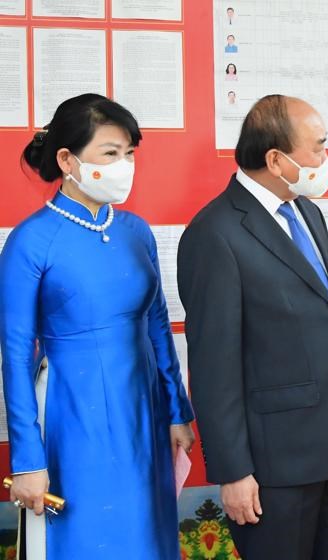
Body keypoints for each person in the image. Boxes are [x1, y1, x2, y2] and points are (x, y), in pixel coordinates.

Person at [177, 94, 328, 560]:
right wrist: (233, 472)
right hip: (277, 468)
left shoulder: (307, 211)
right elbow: (213, 364)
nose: (326, 159)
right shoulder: (215, 233)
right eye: (318, 147)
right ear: (276, 160)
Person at [0, 93, 195, 559]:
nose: (124, 165)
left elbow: (157, 324)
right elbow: (15, 354)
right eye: (110, 153)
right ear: (67, 160)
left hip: (143, 411)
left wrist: (177, 411)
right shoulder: (30, 242)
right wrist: (27, 460)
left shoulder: (136, 231)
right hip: (71, 413)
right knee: (85, 536)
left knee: (147, 532)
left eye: (129, 153)